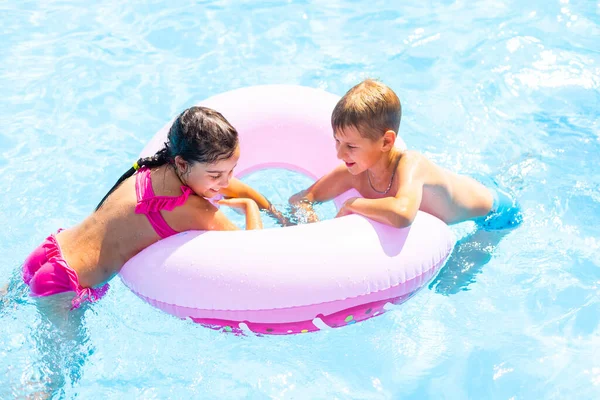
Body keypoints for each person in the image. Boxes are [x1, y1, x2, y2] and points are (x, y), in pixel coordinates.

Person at [23, 106, 284, 309]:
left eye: (231, 171)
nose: (225, 182)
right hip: (66, 283)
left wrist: (276, 213)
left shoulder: (155, 168)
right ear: (182, 164)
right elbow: (253, 256)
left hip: (50, 250)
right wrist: (250, 208)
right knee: (52, 379)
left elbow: (234, 187)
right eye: (216, 176)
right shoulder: (195, 210)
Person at [289, 78, 522, 232]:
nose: (340, 154)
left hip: (496, 213)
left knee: (450, 284)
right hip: (463, 188)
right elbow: (300, 199)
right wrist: (315, 231)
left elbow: (402, 215)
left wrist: (353, 204)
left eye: (350, 146)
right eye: (337, 141)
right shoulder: (353, 173)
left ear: (386, 141)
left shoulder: (411, 164)